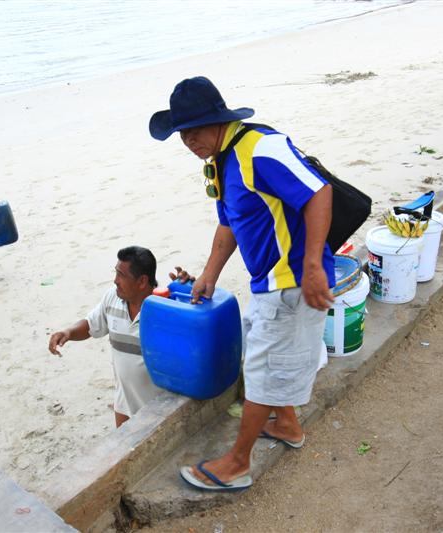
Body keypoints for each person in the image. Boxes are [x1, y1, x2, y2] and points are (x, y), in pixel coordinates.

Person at [149, 76, 335, 491]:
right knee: (264, 355)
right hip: (267, 281)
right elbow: (229, 223)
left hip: (292, 280)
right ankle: (286, 423)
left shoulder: (259, 148)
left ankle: (237, 464)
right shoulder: (220, 159)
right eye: (182, 133)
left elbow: (318, 193)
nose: (189, 141)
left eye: (195, 129)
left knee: (262, 368)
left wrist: (312, 266)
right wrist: (209, 276)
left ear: (218, 119)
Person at [48, 246, 164, 428]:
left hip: (159, 410)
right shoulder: (112, 298)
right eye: (116, 273)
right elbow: (91, 325)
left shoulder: (165, 310)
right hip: (124, 404)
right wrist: (68, 333)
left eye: (122, 275)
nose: (115, 280)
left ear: (142, 281)